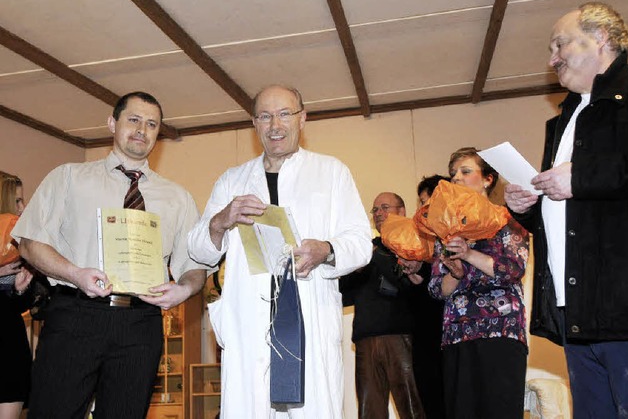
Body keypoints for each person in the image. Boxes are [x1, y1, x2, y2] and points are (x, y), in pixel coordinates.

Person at [12, 91, 208, 419]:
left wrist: (184, 289)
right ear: (112, 123)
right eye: (133, 120)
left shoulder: (178, 198)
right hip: (75, 314)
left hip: (140, 324)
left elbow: (194, 267)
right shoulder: (68, 177)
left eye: (151, 124)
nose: (141, 130)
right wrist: (76, 274)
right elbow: (30, 242)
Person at [188, 85, 372, 418]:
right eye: (265, 116)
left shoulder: (331, 173)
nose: (276, 125)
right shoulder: (232, 180)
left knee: (312, 407)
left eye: (285, 114)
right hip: (249, 322)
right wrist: (220, 221)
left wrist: (326, 250)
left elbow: (360, 244)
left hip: (308, 317)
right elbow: (199, 250)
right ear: (254, 124)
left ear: (303, 118)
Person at [504, 2, 628, 417]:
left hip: (627, 307)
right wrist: (527, 206)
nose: (552, 58)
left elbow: (597, 180)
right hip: (575, 308)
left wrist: (579, 178)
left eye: (560, 43)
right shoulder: (562, 120)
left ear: (601, 40)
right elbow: (570, 208)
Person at [428, 147, 529, 419]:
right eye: (453, 175)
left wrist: (469, 254)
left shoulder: (508, 219)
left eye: (466, 171)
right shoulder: (445, 228)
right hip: (457, 334)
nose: (457, 179)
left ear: (488, 179)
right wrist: (456, 272)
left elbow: (513, 269)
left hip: (501, 330)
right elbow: (438, 288)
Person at [340, 192, 425, 419]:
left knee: (412, 406)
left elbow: (408, 283)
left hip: (400, 335)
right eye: (375, 210)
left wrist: (374, 254)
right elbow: (345, 294)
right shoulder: (368, 249)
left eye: (384, 207)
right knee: (370, 411)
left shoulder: (413, 242)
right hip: (365, 337)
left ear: (402, 211)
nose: (378, 213)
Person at [410, 175, 448, 418]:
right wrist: (417, 277)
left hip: (450, 331)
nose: (425, 208)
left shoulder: (463, 232)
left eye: (429, 201)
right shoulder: (418, 237)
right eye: (422, 202)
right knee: (429, 400)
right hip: (424, 334)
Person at [0, 171, 34, 419]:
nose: (23, 207)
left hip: (9, 348)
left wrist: (19, 288)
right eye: (18, 201)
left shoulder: (18, 244)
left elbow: (19, 306)